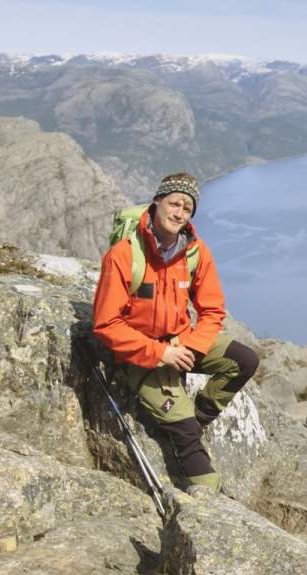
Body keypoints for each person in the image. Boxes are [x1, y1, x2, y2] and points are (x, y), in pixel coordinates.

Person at [93, 173, 259, 492]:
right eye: (174, 203)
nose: (179, 212)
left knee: (244, 360)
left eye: (187, 207)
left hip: (181, 342)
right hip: (142, 356)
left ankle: (198, 417)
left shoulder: (194, 253)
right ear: (157, 202)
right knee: (187, 442)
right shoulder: (125, 255)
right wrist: (162, 354)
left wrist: (192, 349)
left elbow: (212, 311)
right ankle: (207, 499)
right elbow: (106, 323)